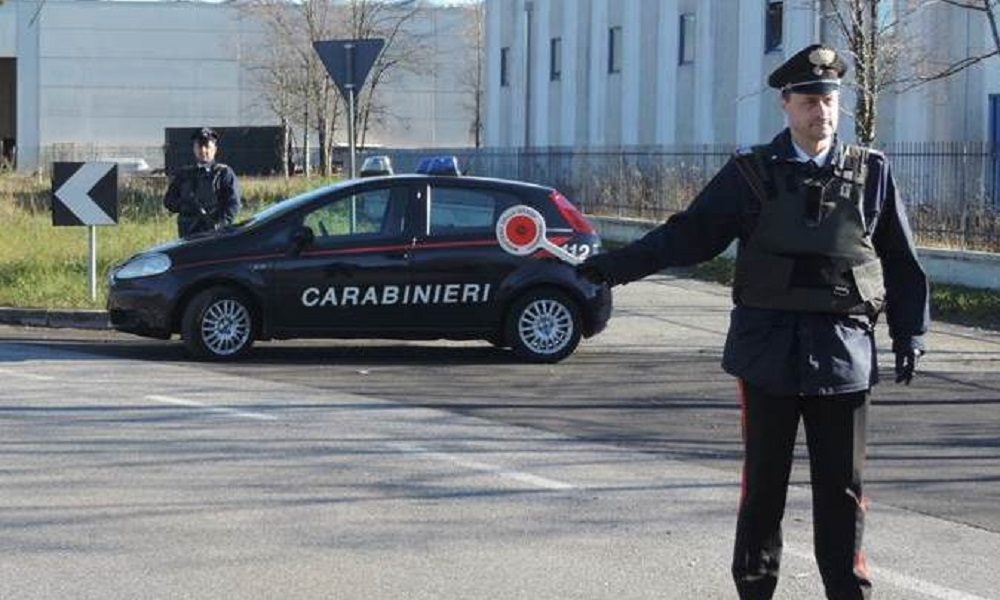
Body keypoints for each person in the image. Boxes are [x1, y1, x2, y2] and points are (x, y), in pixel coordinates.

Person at [579, 44, 929, 600]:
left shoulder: (872, 173)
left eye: (831, 100)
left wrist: (910, 332)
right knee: (764, 489)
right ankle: (755, 591)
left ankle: (848, 592)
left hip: (843, 355)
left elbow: (902, 263)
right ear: (786, 104)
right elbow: (687, 236)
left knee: (843, 490)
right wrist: (609, 269)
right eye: (811, 99)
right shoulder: (750, 175)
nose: (823, 111)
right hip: (768, 355)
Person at [163, 127, 241, 237]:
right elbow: (168, 201)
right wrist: (186, 206)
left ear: (215, 149)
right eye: (199, 146)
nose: (203, 150)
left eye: (207, 146)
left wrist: (220, 225)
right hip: (187, 234)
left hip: (215, 236)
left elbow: (233, 204)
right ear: (194, 149)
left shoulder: (223, 173)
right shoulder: (184, 174)